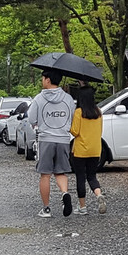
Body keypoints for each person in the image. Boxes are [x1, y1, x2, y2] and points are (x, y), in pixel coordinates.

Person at [27, 69, 76, 217]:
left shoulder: (39, 98)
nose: (42, 81)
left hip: (46, 139)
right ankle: (65, 193)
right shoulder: (68, 98)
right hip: (63, 139)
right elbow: (72, 118)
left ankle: (46, 208)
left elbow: (31, 119)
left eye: (43, 78)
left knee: (45, 175)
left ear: (48, 80)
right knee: (60, 172)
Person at [69, 85, 107, 215]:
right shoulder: (98, 112)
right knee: (92, 176)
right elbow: (100, 131)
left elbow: (75, 132)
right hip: (95, 149)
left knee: (80, 177)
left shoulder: (79, 112)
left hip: (80, 150)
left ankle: (82, 207)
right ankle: (98, 195)